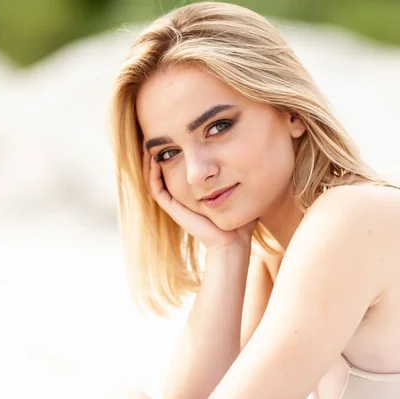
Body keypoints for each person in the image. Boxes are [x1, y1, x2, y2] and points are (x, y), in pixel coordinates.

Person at [108, 2, 400, 398]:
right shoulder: (270, 260)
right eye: (168, 153)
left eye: (218, 127)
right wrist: (226, 251)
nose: (197, 173)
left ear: (290, 112)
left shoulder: (351, 220)